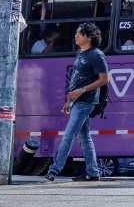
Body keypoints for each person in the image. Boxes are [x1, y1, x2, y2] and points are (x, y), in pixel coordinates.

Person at [45, 22, 109, 182]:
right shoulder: (80, 53)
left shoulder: (96, 54)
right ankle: (93, 172)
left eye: (80, 33)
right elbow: (75, 80)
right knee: (85, 138)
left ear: (90, 37)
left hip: (86, 101)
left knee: (68, 135)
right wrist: (68, 100)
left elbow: (104, 79)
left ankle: (54, 170)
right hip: (76, 101)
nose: (76, 35)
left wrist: (82, 90)